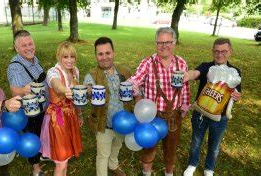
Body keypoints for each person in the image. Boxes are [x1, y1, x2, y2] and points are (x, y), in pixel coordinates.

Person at [127, 27, 191, 176]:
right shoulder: (148, 62)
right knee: (149, 148)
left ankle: (169, 173)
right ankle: (146, 173)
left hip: (173, 116)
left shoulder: (181, 63)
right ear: (156, 44)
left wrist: (185, 105)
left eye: (168, 42)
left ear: (174, 43)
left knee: (171, 149)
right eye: (160, 42)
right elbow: (136, 79)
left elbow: (185, 87)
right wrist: (129, 86)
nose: (164, 46)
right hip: (152, 116)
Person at [183, 38, 241, 176]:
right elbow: (195, 73)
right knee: (196, 141)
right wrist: (187, 75)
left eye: (224, 51)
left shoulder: (235, 72)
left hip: (220, 117)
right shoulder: (206, 66)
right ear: (212, 52)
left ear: (230, 52)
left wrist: (237, 97)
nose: (220, 54)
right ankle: (192, 164)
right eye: (216, 51)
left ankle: (209, 168)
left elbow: (237, 92)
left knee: (214, 145)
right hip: (201, 114)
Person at [84, 37, 133, 176]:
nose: (104, 57)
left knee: (117, 146)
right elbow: (88, 86)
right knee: (102, 155)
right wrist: (87, 91)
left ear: (114, 53)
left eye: (108, 53)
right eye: (100, 54)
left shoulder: (125, 71)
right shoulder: (92, 74)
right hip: (103, 124)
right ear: (96, 56)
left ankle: (113, 165)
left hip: (123, 123)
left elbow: (135, 90)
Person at [7, 30, 48, 176]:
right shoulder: (15, 67)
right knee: (32, 138)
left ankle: (43, 154)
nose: (28, 47)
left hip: (43, 108)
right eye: (23, 45)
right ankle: (36, 170)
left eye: (30, 43)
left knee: (42, 133)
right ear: (17, 48)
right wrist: (23, 90)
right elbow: (14, 91)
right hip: (31, 111)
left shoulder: (35, 59)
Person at [40, 41, 83, 176]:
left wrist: (79, 114)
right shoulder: (53, 71)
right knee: (61, 161)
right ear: (59, 56)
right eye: (65, 57)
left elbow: (77, 97)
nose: (69, 60)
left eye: (72, 57)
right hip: (57, 119)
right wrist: (65, 90)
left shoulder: (75, 71)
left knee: (66, 159)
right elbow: (56, 84)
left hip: (70, 116)